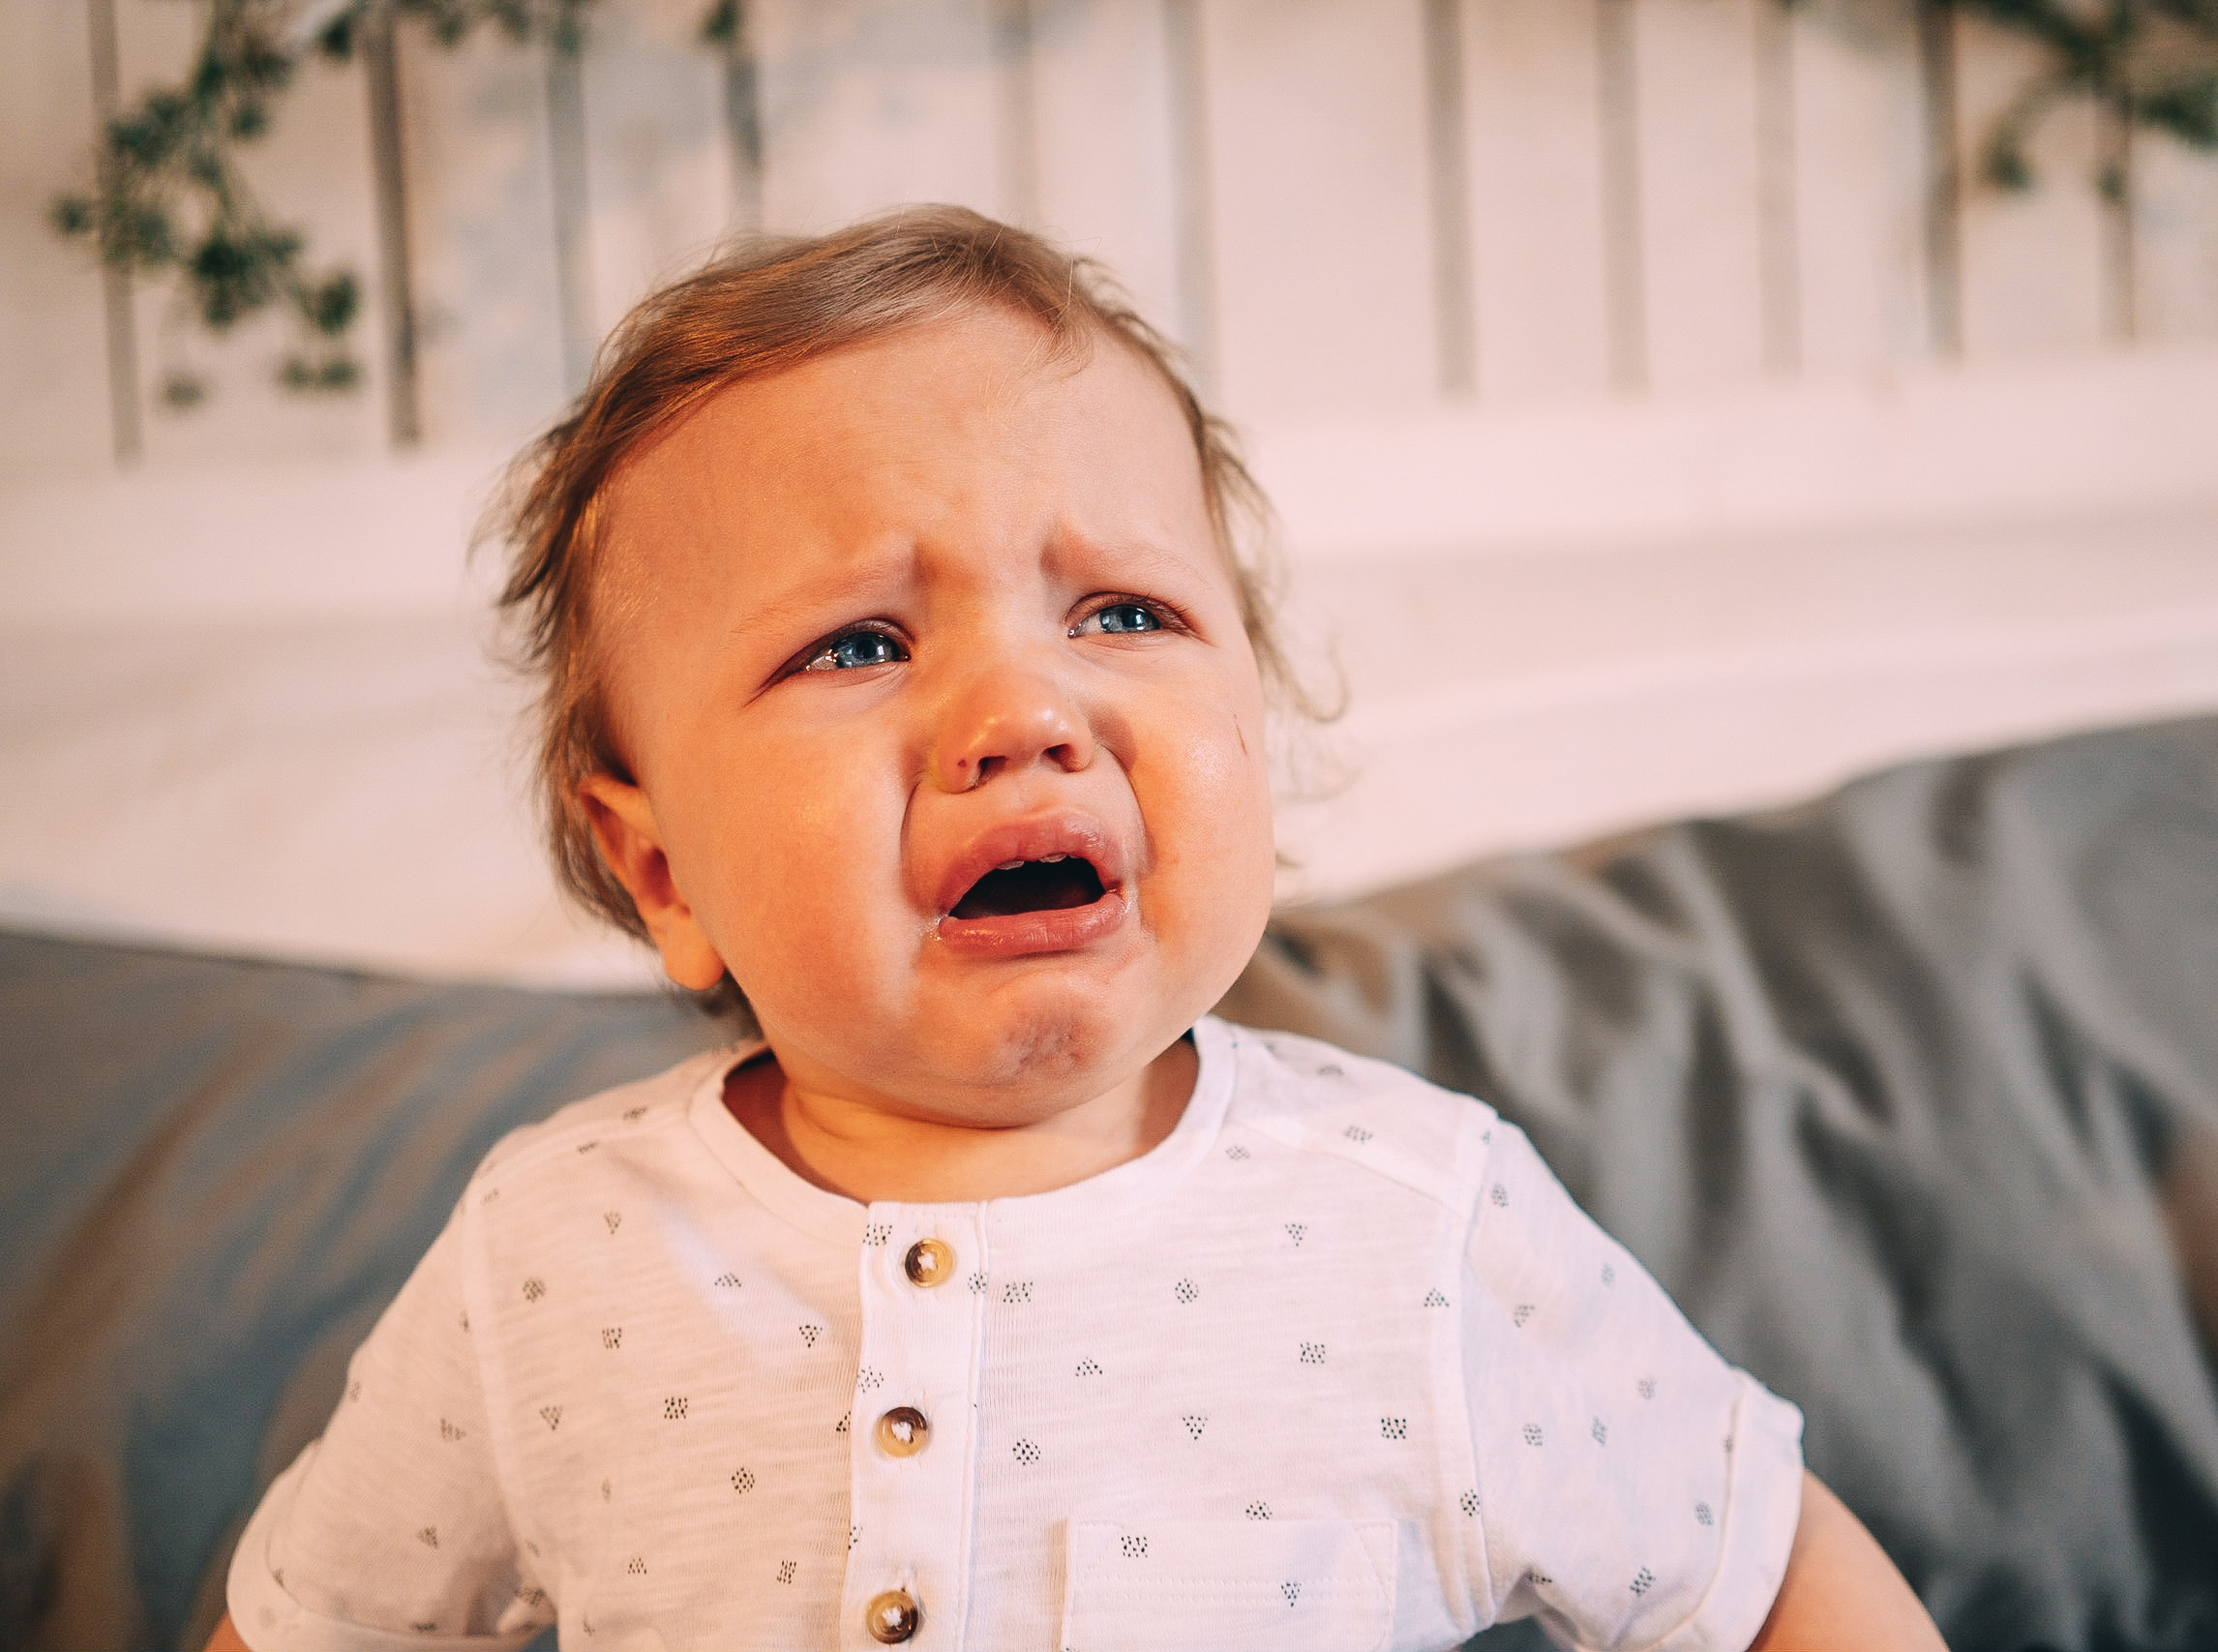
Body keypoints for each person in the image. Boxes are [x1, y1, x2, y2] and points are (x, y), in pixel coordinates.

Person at [208, 207, 1944, 1652]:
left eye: (1121, 612)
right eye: (860, 645)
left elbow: (1773, 1574)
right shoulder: (548, 1257)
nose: (1024, 713)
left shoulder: (1422, 1225)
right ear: (661, 873)